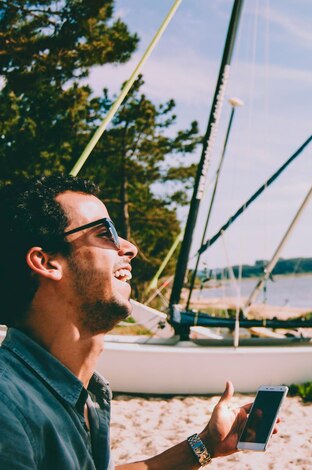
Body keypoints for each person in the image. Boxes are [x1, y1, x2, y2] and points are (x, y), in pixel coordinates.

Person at [0, 175, 267, 469]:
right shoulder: (7, 410)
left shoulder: (78, 392)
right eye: (106, 232)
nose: (129, 248)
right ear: (47, 262)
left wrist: (205, 445)